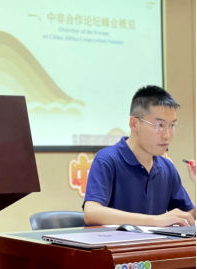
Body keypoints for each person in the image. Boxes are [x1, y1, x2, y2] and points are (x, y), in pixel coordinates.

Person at [84, 86, 196, 227]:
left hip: (154, 242)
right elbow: (91, 212)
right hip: (115, 241)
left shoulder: (167, 167)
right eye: (159, 125)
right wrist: (155, 220)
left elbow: (187, 218)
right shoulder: (108, 159)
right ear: (134, 124)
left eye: (172, 125)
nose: (167, 135)